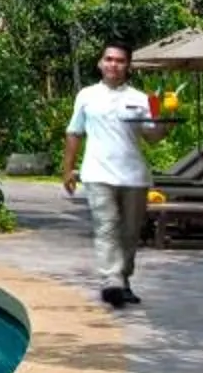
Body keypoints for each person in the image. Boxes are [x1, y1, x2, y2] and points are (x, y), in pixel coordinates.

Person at [62, 41, 169, 307]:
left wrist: (164, 119)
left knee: (130, 233)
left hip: (134, 176)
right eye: (109, 59)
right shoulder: (86, 96)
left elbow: (154, 137)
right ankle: (112, 280)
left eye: (120, 61)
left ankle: (123, 279)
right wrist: (68, 169)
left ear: (127, 66)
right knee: (106, 226)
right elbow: (74, 133)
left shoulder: (141, 99)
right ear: (100, 63)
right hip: (97, 174)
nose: (113, 64)